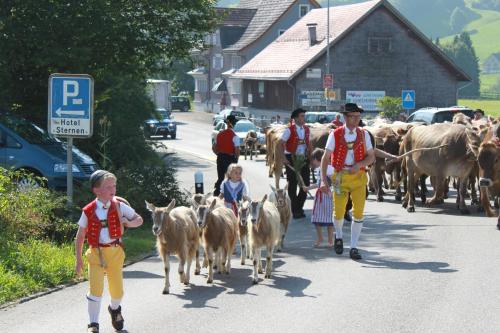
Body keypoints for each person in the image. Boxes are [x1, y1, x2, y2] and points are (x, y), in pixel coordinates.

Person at [75, 170, 143, 333]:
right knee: (95, 290)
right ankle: (93, 324)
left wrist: (128, 223)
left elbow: (139, 219)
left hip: (115, 252)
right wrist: (78, 260)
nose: (113, 189)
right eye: (108, 186)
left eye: (114, 185)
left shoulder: (119, 205)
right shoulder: (88, 210)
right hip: (96, 253)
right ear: (96, 190)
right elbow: (80, 236)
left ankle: (114, 309)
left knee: (117, 291)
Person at [320, 103, 375, 260]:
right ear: (345, 117)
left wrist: (360, 164)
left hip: (359, 178)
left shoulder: (364, 135)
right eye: (354, 116)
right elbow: (325, 159)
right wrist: (324, 181)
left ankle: (354, 247)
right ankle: (338, 236)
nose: (357, 119)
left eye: (359, 116)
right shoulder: (335, 134)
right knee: (338, 212)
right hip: (340, 177)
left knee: (358, 212)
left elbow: (371, 156)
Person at [281, 108, 312, 219]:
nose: (304, 118)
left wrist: (310, 157)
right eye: (302, 116)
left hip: (303, 158)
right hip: (291, 158)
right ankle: (295, 210)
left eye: (304, 116)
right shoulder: (289, 130)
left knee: (306, 184)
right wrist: (284, 157)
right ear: (295, 118)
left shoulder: (307, 130)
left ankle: (298, 206)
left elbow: (309, 144)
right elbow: (281, 143)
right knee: (293, 184)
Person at [302, 148, 334, 248]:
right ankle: (320, 238)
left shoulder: (329, 169)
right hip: (320, 197)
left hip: (328, 197)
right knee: (316, 218)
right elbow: (319, 183)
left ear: (318, 159)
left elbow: (334, 182)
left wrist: (332, 192)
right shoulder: (319, 169)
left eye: (313, 160)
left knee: (330, 220)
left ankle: (330, 240)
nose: (312, 162)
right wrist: (308, 188)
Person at [213, 115, 240, 196]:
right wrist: (236, 161)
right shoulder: (235, 136)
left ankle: (217, 193)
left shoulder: (219, 134)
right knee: (232, 178)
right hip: (230, 159)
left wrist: (219, 154)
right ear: (234, 124)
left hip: (220, 158)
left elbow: (214, 148)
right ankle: (230, 194)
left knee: (220, 177)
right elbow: (237, 151)